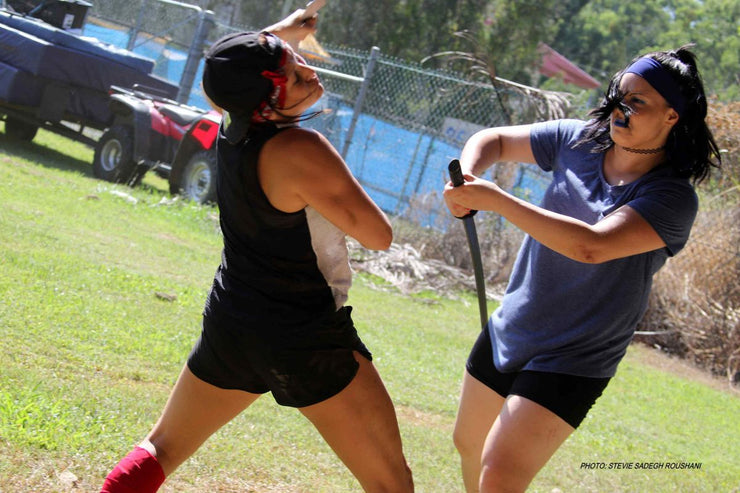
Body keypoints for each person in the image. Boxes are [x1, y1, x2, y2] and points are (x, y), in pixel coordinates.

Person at [101, 10, 413, 493]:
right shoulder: (302, 148)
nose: (311, 73)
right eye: (292, 73)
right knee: (392, 484)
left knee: (160, 450)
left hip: (232, 325)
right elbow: (380, 236)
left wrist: (281, 34)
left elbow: (228, 67)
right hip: (305, 337)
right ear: (266, 101)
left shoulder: (230, 117)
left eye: (299, 62)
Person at [443, 45, 720, 493]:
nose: (620, 109)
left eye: (638, 102)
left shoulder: (672, 198)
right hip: (513, 326)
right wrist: (467, 179)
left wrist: (495, 200)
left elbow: (592, 246)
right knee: (468, 445)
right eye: (619, 95)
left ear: (673, 116)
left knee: (500, 471)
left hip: (576, 357)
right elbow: (492, 140)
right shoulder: (577, 140)